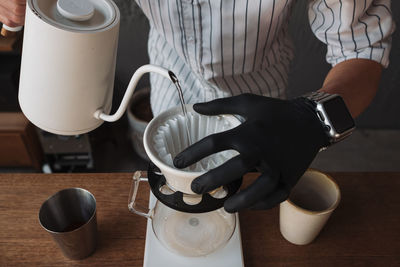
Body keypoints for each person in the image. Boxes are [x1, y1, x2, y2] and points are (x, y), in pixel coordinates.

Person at [1, 0, 395, 212]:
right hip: (167, 82)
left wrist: (311, 120)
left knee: (254, 209)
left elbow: (362, 47)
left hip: (261, 105)